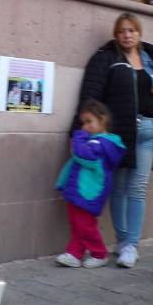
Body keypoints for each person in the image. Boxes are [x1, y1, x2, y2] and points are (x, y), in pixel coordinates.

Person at [75, 13, 153, 268]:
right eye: (122, 31)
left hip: (148, 131)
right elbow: (91, 96)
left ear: (139, 33)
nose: (127, 35)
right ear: (116, 36)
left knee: (137, 188)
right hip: (119, 134)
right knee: (118, 188)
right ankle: (122, 240)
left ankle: (131, 245)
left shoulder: (151, 58)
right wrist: (81, 132)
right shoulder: (107, 58)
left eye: (132, 30)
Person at [55, 100, 126, 269]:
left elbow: (83, 155)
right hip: (80, 189)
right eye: (83, 123)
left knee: (85, 224)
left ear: (102, 120)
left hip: (89, 191)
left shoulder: (103, 143)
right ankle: (74, 253)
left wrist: (78, 137)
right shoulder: (93, 140)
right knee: (77, 222)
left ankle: (99, 253)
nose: (85, 127)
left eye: (89, 122)